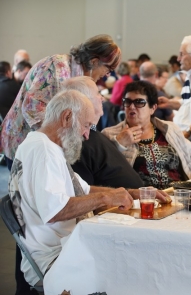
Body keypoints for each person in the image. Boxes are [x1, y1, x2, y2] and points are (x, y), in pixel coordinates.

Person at [8, 90, 134, 288]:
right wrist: (105, 199)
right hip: (54, 257)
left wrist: (133, 193)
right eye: (86, 125)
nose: (86, 134)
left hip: (64, 247)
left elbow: (82, 189)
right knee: (131, 263)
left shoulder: (45, 145)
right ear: (67, 117)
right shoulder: (44, 151)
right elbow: (56, 210)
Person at [0, 34, 121, 169]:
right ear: (93, 61)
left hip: (42, 145)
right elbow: (32, 109)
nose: (108, 74)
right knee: (27, 188)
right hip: (24, 141)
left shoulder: (77, 74)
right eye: (108, 69)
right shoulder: (56, 67)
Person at [102, 81, 191, 189]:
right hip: (142, 201)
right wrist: (118, 144)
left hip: (178, 195)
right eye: (128, 102)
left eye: (139, 102)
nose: (132, 107)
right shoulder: (111, 135)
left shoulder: (169, 129)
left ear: (153, 108)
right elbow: (103, 172)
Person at [61, 77, 145, 189]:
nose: (102, 98)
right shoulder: (79, 140)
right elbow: (85, 193)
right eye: (98, 93)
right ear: (85, 101)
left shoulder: (93, 134)